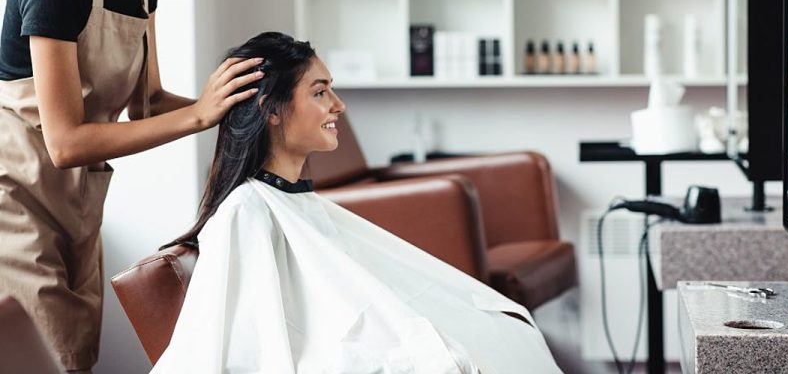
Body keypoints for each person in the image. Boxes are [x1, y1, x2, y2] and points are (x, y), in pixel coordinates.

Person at [0, 0, 264, 373]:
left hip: (79, 202)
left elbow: (146, 105)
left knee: (77, 353)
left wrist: (234, 107)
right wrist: (199, 114)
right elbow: (65, 142)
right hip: (14, 199)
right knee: (47, 360)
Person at [152, 31, 562, 373]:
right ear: (271, 112)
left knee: (503, 328)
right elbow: (260, 346)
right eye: (319, 92)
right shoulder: (246, 212)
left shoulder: (293, 200)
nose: (338, 105)